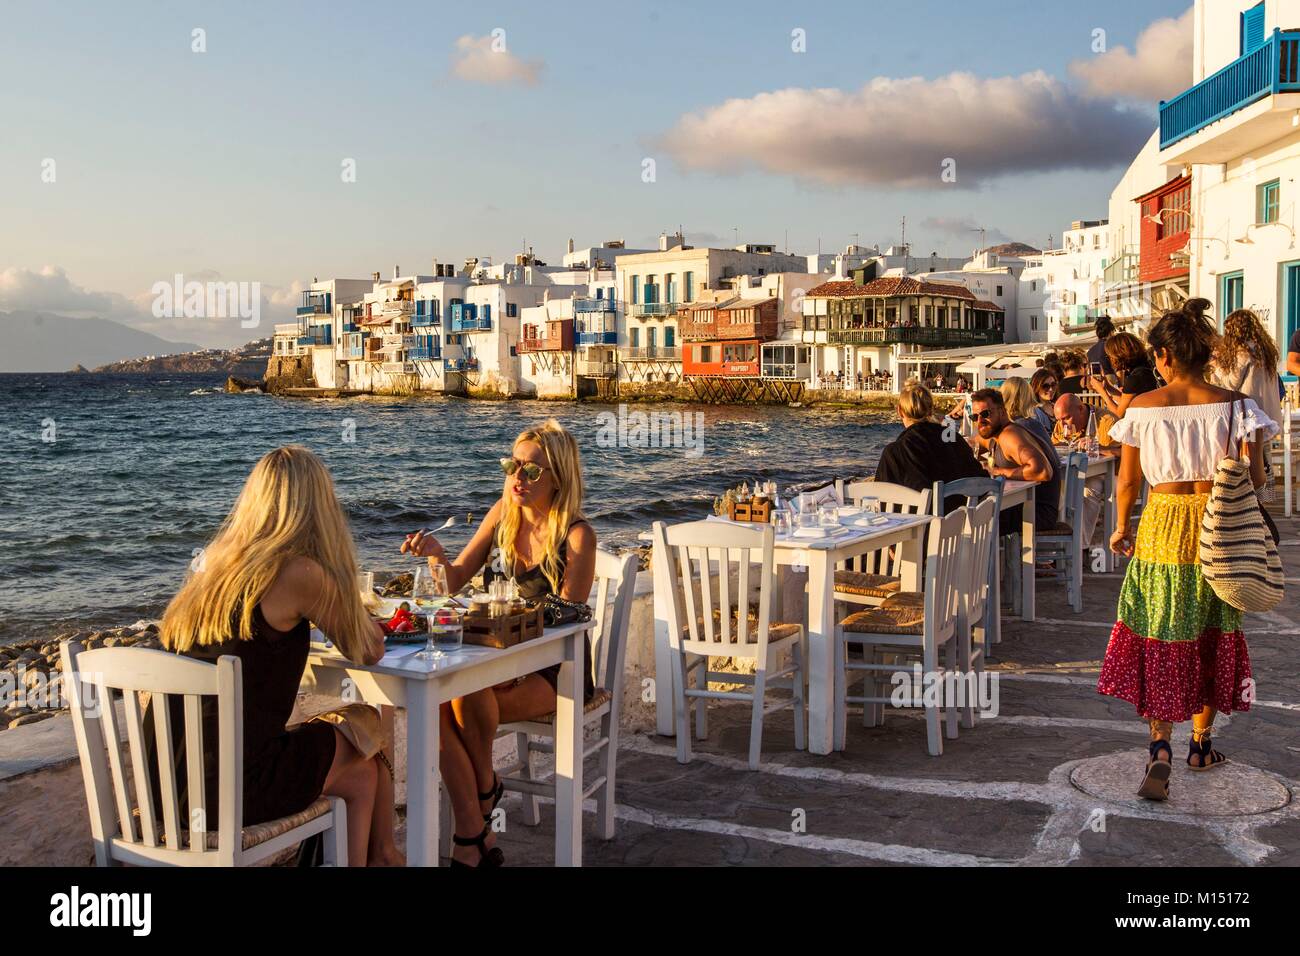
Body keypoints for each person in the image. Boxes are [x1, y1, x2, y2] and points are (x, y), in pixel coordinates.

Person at [151, 446, 401, 867]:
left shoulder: (212, 566)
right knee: (361, 763)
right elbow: (370, 649)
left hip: (164, 789)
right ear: (318, 507)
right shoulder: (299, 572)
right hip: (230, 792)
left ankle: (380, 858)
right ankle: (382, 858)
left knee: (343, 744)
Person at [1099, 301, 1277, 800]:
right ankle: (1201, 742)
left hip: (1162, 524)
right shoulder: (1235, 405)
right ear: (1205, 354)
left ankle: (1160, 747)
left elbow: (1129, 480)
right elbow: (1258, 478)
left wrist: (1118, 529)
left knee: (1162, 631)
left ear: (1161, 356)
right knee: (1212, 631)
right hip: (1217, 526)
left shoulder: (1142, 408)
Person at [401, 420, 597, 867]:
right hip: (498, 658)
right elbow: (452, 581)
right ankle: (477, 819)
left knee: (463, 698)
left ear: (558, 478)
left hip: (554, 669)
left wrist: (514, 648)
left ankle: (473, 828)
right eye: (513, 466)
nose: (517, 479)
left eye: (531, 471)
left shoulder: (578, 536)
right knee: (434, 706)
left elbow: (567, 621)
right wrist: (435, 554)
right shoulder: (501, 514)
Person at [874, 381, 985, 513]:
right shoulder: (953, 439)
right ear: (931, 409)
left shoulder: (895, 452)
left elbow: (880, 502)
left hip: (921, 530)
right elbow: (981, 481)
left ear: (900, 411)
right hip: (962, 528)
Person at [969, 388, 1060, 533]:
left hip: (1036, 514)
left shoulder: (1010, 435)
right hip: (1022, 507)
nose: (980, 421)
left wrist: (998, 472)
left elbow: (1043, 471)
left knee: (973, 519)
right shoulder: (995, 434)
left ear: (1002, 411)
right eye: (974, 417)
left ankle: (988, 556)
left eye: (985, 414)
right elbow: (973, 443)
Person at [1091, 331, 1159, 418]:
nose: (1110, 360)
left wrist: (1103, 393)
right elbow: (1126, 400)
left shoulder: (1135, 378)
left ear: (1118, 355)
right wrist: (1108, 387)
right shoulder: (1144, 369)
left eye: (1109, 356)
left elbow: (1118, 414)